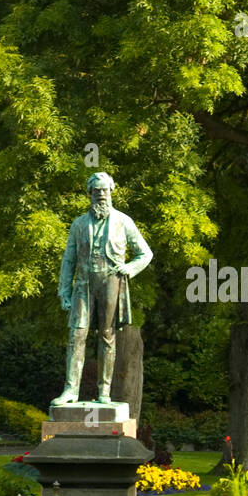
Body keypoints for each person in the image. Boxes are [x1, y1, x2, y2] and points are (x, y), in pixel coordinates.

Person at [52, 171, 153, 407]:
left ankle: (104, 392)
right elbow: (68, 260)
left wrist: (129, 268)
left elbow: (145, 253)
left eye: (104, 190)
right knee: (76, 334)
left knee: (107, 336)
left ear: (111, 191)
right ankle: (70, 390)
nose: (101, 195)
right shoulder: (78, 224)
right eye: (96, 191)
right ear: (89, 194)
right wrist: (64, 292)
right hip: (83, 285)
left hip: (111, 281)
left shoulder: (123, 221)